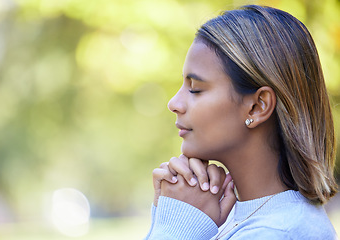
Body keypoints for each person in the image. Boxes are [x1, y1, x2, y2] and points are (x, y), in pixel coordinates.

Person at [144, 5, 338, 240]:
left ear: (258, 107)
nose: (174, 103)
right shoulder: (236, 217)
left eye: (195, 89)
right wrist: (168, 214)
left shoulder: (277, 233)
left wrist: (177, 228)